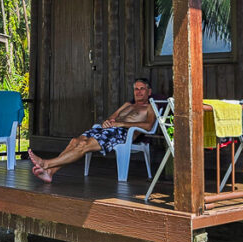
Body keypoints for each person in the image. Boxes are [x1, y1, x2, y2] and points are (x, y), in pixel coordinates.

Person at [28, 78, 156, 183]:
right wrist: (108, 121)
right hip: (106, 129)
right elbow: (112, 117)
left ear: (149, 92)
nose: (138, 92)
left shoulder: (150, 108)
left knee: (83, 145)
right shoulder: (127, 105)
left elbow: (149, 126)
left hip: (121, 134)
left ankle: (46, 164)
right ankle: (50, 172)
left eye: (142, 89)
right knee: (75, 141)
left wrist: (120, 123)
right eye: (136, 89)